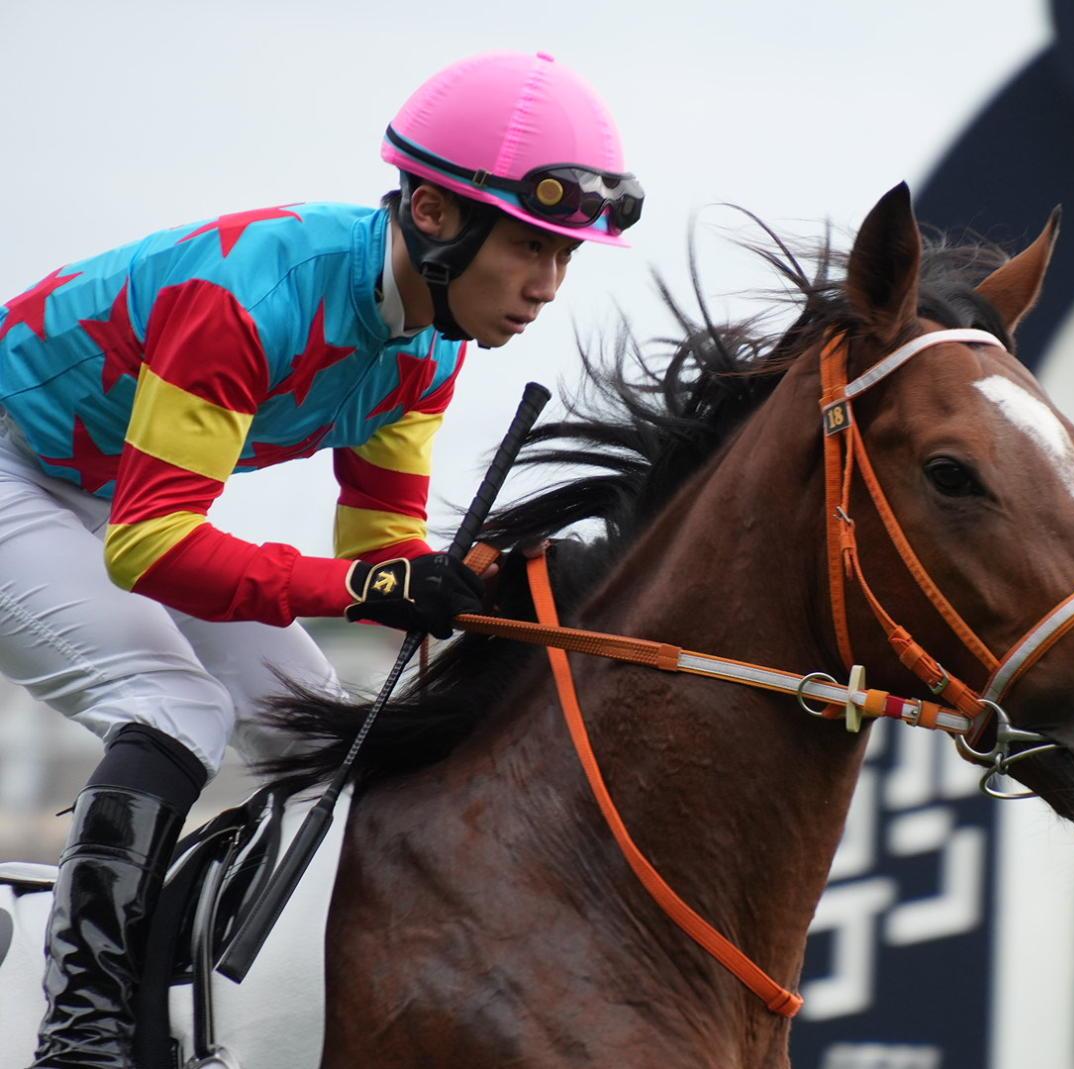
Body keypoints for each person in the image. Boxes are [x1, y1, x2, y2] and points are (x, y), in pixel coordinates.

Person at [0, 50, 644, 1068]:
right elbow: (152, 545)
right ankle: (81, 1032)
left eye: (565, 255)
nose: (547, 287)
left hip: (103, 488)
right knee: (175, 705)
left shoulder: (433, 340)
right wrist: (365, 586)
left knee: (321, 732)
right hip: (22, 471)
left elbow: (379, 547)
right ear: (433, 213)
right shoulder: (247, 298)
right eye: (530, 246)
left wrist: (472, 584)